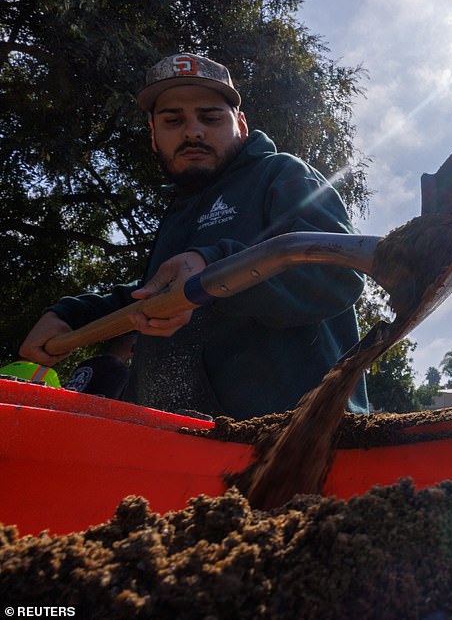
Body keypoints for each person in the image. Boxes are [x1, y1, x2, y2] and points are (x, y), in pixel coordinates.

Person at [19, 53, 368, 419]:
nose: (192, 132)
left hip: (296, 436)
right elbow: (153, 294)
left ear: (242, 126)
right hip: (174, 445)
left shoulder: (281, 174)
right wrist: (72, 315)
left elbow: (338, 272)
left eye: (210, 117)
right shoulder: (179, 212)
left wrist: (211, 274)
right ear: (154, 136)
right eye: (173, 120)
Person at [63, 332, 136, 399]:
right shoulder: (120, 370)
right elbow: (106, 405)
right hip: (84, 411)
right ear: (133, 348)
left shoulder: (87, 363)